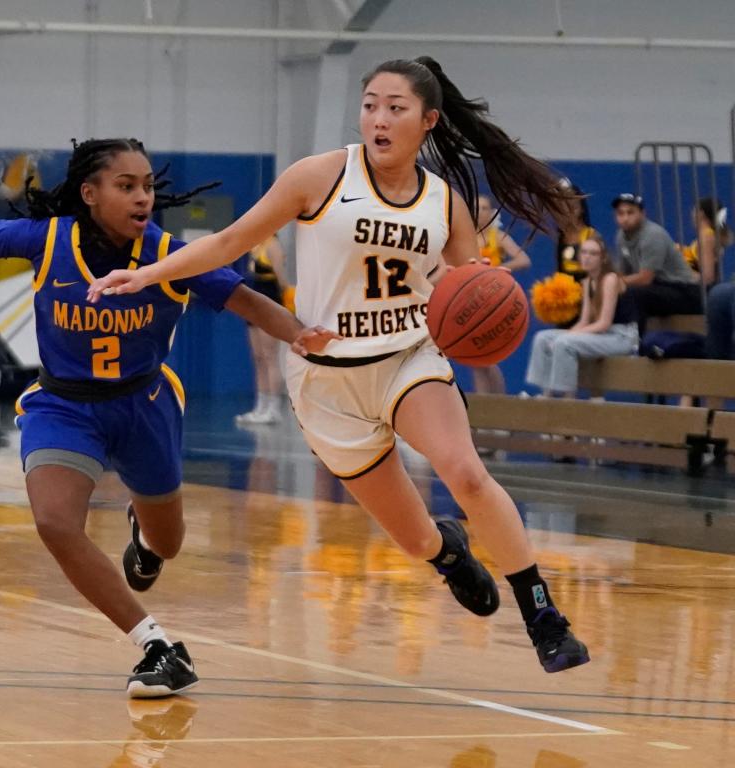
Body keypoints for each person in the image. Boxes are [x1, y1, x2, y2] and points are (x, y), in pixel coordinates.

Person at [88, 58, 591, 673]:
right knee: (412, 538)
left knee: (464, 473)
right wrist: (147, 272)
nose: (379, 118)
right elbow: (226, 244)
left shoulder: (445, 202)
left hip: (410, 358)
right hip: (326, 378)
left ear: (428, 121)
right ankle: (448, 555)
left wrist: (486, 308)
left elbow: (470, 284)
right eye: (370, 104)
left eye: (395, 108)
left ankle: (543, 615)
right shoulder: (320, 176)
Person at [0, 137, 336, 698]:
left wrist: (301, 335)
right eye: (126, 186)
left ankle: (146, 533)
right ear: (89, 194)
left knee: (168, 543)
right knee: (54, 522)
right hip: (64, 406)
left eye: (146, 186)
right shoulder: (47, 240)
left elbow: (248, 301)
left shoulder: (169, 255)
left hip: (142, 406)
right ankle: (158, 647)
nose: (143, 197)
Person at [525, 234, 638, 396]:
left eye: (593, 254)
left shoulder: (610, 279)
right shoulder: (587, 282)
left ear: (603, 258)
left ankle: (568, 399)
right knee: (542, 338)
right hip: (602, 335)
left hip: (622, 337)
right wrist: (566, 335)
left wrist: (565, 337)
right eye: (584, 252)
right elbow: (584, 321)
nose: (587, 257)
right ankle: (546, 396)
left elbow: (604, 323)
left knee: (564, 343)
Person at [612, 192, 701, 336]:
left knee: (635, 294)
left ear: (642, 213)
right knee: (615, 293)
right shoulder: (621, 236)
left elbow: (645, 279)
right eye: (620, 213)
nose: (625, 218)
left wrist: (613, 283)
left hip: (683, 290)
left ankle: (634, 342)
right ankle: (613, 337)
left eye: (630, 213)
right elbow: (623, 273)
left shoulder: (652, 235)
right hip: (658, 288)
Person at [473, 194, 530, 396]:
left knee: (486, 358)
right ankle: (486, 407)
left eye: (485, 208)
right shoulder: (466, 238)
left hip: (493, 300)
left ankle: (498, 404)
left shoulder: (498, 236)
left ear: (492, 212)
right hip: (471, 302)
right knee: (476, 359)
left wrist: (498, 269)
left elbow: (523, 259)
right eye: (477, 208)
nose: (481, 212)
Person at [236, 235, 290, 424]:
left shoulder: (273, 245)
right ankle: (260, 406)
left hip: (269, 302)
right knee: (258, 357)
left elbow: (281, 281)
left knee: (269, 357)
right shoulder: (256, 245)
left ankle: (274, 408)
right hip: (253, 305)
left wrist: (288, 303)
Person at [680, 197, 729, 288]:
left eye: (694, 211)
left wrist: (677, 271)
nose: (692, 215)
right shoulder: (707, 235)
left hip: (702, 293)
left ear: (700, 214)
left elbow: (707, 278)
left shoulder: (707, 237)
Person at [555, 182, 597, 283]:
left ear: (581, 207)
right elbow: (559, 271)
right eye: (563, 205)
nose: (568, 207)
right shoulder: (561, 236)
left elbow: (596, 272)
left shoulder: (591, 235)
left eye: (573, 206)